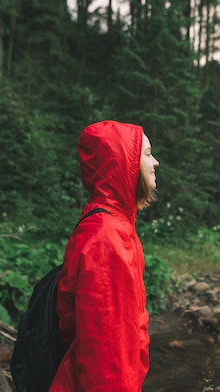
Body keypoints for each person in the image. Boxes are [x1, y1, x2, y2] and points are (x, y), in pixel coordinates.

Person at [49, 120, 159, 392]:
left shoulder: (114, 225)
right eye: (147, 153)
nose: (155, 162)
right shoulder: (107, 237)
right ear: (124, 163)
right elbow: (105, 356)